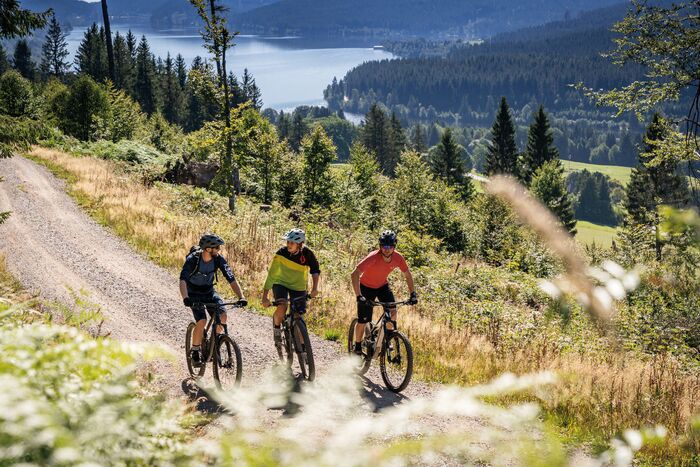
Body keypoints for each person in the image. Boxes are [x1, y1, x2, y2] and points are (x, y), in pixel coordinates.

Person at [180, 234, 246, 365]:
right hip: (193, 293)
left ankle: (212, 342)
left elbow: (231, 279)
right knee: (202, 320)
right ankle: (195, 351)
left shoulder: (218, 259)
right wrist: (186, 298)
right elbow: (182, 280)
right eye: (217, 247)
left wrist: (241, 296)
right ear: (208, 249)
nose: (219, 250)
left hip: (209, 291)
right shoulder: (193, 260)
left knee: (222, 316)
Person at [350, 230, 417, 355]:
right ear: (380, 246)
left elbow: (408, 275)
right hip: (366, 287)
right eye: (384, 246)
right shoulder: (373, 257)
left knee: (392, 311)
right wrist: (358, 295)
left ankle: (387, 337)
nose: (387, 249)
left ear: (394, 246)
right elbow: (355, 274)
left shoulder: (398, 258)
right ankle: (358, 346)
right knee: (363, 320)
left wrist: (413, 294)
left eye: (390, 246)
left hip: (382, 286)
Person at [262, 228, 320, 355]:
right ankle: (277, 329)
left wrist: (315, 288)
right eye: (288, 242)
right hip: (280, 283)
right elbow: (272, 274)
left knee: (298, 315)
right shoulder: (281, 253)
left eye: (291, 243)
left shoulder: (308, 254)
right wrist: (265, 296)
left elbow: (315, 271)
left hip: (298, 286)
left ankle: (304, 349)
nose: (288, 245)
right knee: (282, 306)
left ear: (299, 244)